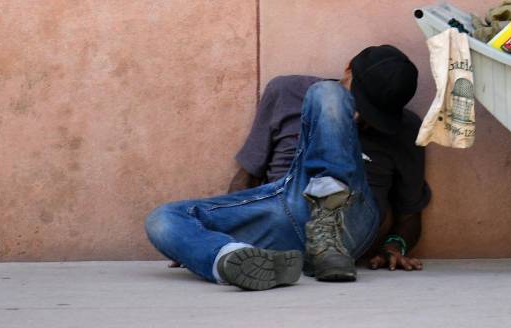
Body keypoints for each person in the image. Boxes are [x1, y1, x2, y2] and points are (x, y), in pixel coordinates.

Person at [145, 45, 432, 291]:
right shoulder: (286, 92)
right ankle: (229, 258)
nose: (359, 119)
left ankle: (328, 232)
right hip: (284, 205)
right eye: (359, 105)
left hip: (350, 225)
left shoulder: (407, 129)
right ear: (348, 70)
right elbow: (246, 177)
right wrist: (198, 242)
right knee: (163, 219)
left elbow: (409, 217)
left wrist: (395, 245)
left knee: (327, 92)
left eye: (374, 117)